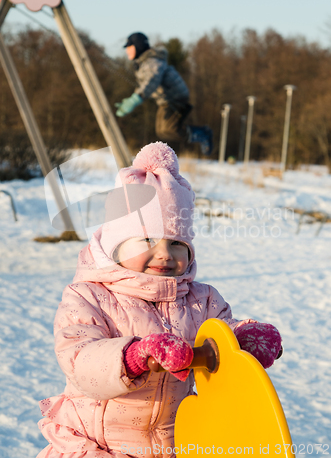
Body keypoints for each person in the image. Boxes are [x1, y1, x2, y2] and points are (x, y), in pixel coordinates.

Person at [37, 142, 282, 458]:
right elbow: (80, 361)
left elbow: (219, 334)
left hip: (174, 444)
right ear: (115, 245)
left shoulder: (201, 299)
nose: (164, 254)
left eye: (176, 243)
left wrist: (243, 338)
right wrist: (134, 355)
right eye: (148, 240)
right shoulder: (88, 296)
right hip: (98, 445)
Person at [115, 32, 213, 156]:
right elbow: (144, 84)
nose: (127, 51)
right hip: (165, 100)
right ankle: (201, 133)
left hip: (176, 97)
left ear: (138, 46)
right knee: (162, 131)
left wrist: (135, 99)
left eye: (130, 47)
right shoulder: (144, 62)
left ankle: (203, 133)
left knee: (169, 129)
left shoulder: (153, 62)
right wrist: (132, 98)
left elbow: (151, 81)